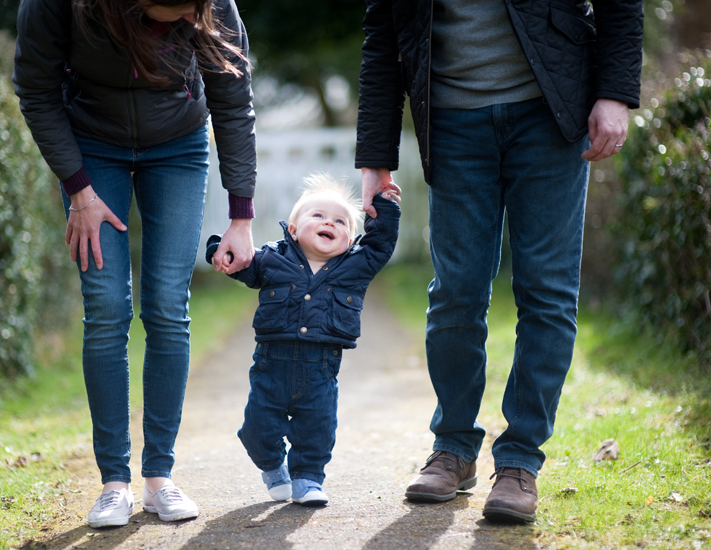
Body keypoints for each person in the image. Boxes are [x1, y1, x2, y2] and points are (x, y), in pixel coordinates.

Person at [355, 0, 643, 523]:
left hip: (552, 105)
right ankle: (454, 448)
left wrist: (616, 91)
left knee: (547, 290)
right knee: (456, 291)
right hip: (451, 118)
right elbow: (384, 33)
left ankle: (519, 463)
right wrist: (375, 157)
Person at [13, 0, 256, 528]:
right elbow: (35, 89)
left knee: (169, 305)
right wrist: (78, 189)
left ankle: (159, 477)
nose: (191, 19)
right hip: (92, 150)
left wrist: (241, 214)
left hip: (179, 146)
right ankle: (113, 483)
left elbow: (233, 101)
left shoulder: (208, 5)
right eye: (178, 10)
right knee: (106, 306)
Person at [205, 175, 400, 505]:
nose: (329, 223)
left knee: (317, 429)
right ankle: (272, 468)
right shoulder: (272, 258)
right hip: (270, 365)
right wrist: (222, 252)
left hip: (321, 370)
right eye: (318, 216)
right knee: (257, 431)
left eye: (339, 221)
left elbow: (380, 244)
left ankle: (308, 480)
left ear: (350, 239)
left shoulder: (355, 266)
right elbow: (245, 263)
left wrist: (384, 206)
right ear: (293, 230)